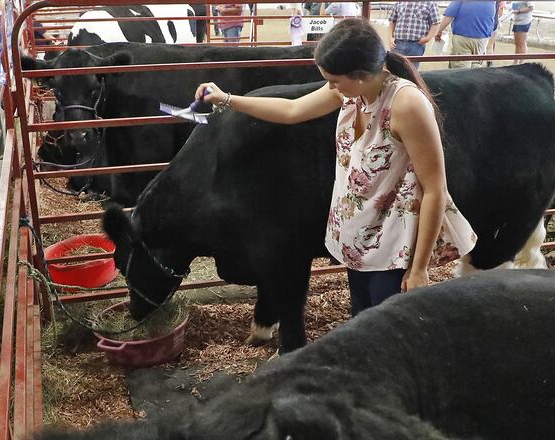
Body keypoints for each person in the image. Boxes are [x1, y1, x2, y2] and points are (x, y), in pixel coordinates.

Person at [194, 19, 476, 316]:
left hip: (394, 247)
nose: (330, 87)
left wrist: (419, 269)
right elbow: (292, 110)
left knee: (386, 331)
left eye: (334, 80)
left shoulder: (407, 105)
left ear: (361, 75)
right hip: (356, 238)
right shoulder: (349, 91)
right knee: (361, 318)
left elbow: (435, 189)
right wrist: (226, 99)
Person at [435, 1, 497, 69]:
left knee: (460, 68)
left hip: (463, 37)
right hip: (482, 39)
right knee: (476, 66)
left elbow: (449, 16)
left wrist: (439, 31)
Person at [388, 2, 441, 69]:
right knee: (394, 69)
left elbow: (435, 23)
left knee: (412, 70)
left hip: (416, 44)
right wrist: (390, 37)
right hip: (397, 43)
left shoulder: (429, 3)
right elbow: (392, 21)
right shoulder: (399, 3)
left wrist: (428, 38)